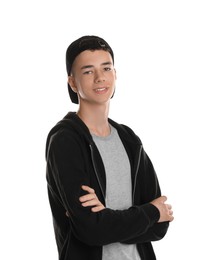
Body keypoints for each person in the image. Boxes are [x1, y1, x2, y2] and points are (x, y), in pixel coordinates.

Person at [45, 35, 174, 260]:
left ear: (115, 74)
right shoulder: (65, 140)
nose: (99, 78)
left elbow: (159, 227)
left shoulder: (129, 139)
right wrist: (149, 213)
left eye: (106, 68)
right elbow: (91, 229)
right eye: (88, 71)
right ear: (73, 82)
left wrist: (109, 219)